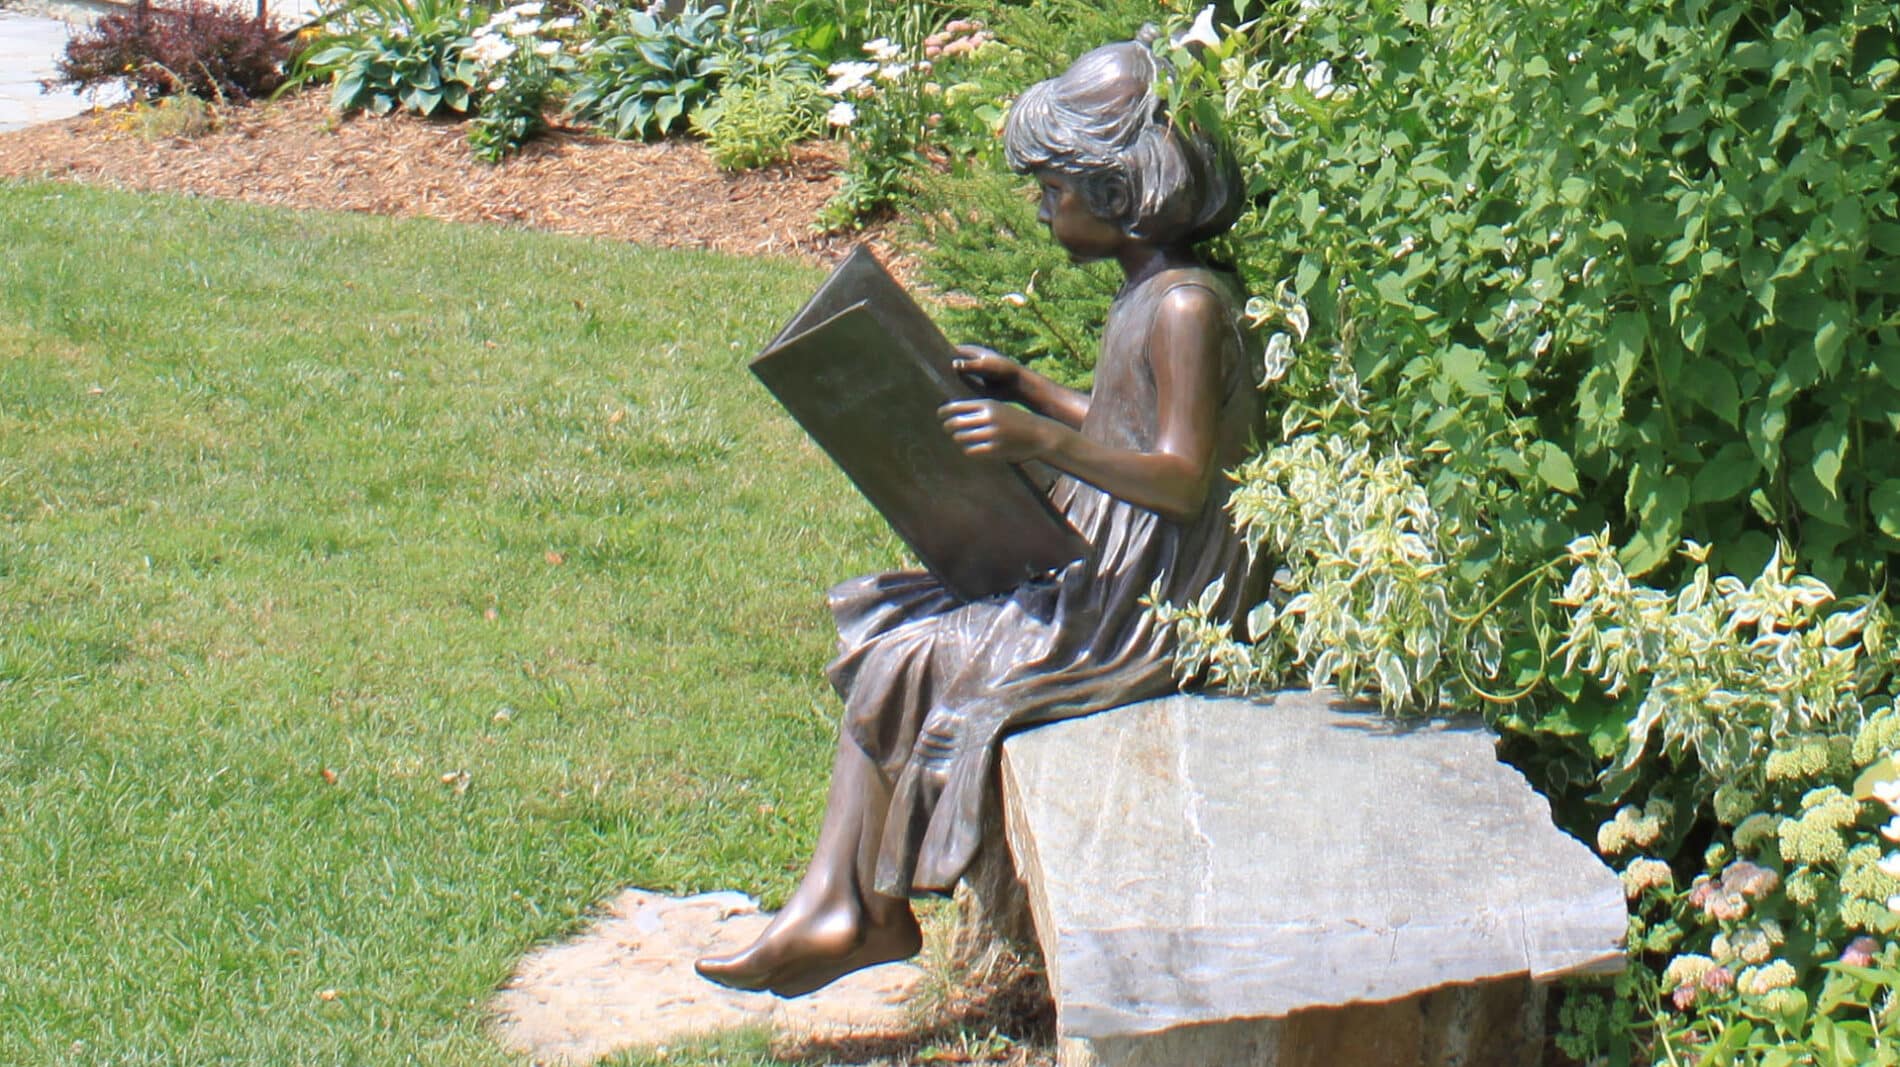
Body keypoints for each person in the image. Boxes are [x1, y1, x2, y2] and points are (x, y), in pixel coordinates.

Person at [695, 27, 1270, 998]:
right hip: (1120, 565)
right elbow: (1133, 423)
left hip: (1154, 603)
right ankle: (845, 902)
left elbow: (1178, 475)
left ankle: (858, 909)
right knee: (901, 622)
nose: (1040, 206)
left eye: (1051, 187)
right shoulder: (1153, 293)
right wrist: (1036, 391)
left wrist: (1038, 442)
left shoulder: (1183, 306)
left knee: (923, 653)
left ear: (1116, 190)